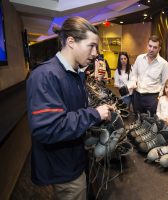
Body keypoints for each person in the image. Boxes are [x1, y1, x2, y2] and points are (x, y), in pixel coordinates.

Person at [26, 16, 113, 200]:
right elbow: (48, 127)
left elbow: (71, 111)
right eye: (91, 46)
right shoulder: (45, 76)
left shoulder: (74, 74)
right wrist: (94, 114)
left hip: (75, 160)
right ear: (71, 42)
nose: (96, 52)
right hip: (64, 169)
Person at [128, 35, 168, 116]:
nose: (151, 49)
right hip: (137, 96)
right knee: (137, 120)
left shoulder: (164, 64)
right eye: (150, 46)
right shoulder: (139, 58)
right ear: (147, 45)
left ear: (159, 49)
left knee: (150, 123)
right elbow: (134, 74)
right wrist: (133, 81)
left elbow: (164, 83)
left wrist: (159, 98)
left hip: (152, 98)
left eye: (155, 47)